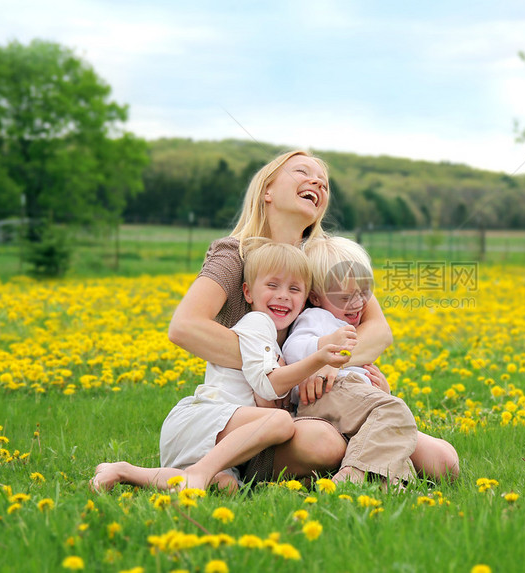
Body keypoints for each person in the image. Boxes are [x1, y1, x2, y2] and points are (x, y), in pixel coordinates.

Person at [167, 150, 458, 482]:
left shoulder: (323, 258)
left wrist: (331, 364)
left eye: (324, 182)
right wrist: (294, 370)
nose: (317, 181)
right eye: (302, 172)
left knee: (443, 461)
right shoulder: (236, 254)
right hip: (261, 412)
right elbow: (185, 327)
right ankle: (329, 467)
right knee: (323, 445)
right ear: (268, 191)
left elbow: (378, 330)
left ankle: (353, 465)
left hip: (324, 402)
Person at [91, 241, 354, 492]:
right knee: (281, 421)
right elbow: (269, 384)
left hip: (224, 442)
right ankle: (201, 472)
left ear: (306, 297)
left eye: (294, 290)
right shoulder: (257, 324)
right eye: (273, 285)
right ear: (248, 292)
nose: (283, 296)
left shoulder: (281, 343)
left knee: (225, 487)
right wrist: (319, 359)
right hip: (204, 419)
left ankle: (125, 471)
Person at [283, 236, 418, 485]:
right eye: (345, 298)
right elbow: (292, 349)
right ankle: (351, 477)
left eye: (363, 293)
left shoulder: (345, 321)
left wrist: (378, 389)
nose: (357, 304)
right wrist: (323, 349)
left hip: (347, 396)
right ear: (314, 298)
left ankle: (393, 487)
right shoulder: (317, 317)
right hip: (326, 394)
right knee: (392, 410)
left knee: (395, 439)